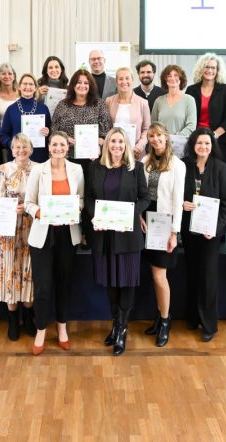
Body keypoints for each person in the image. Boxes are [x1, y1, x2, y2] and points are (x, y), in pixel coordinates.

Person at [83, 127, 150, 355]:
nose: (117, 146)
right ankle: (115, 323)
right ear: (106, 144)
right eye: (113, 141)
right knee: (110, 281)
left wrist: (132, 213)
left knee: (127, 281)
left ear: (127, 145)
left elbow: (145, 197)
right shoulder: (95, 167)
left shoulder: (136, 168)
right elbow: (89, 197)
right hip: (104, 233)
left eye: (121, 142)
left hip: (127, 234)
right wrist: (95, 216)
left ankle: (121, 330)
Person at [24, 131, 84, 354]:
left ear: (67, 148)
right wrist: (40, 212)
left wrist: (76, 207)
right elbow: (28, 202)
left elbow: (82, 198)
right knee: (43, 287)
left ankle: (62, 328)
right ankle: (40, 329)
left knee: (64, 284)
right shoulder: (38, 170)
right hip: (43, 235)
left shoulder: (76, 170)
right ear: (49, 147)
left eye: (62, 145)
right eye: (54, 145)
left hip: (68, 235)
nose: (58, 148)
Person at [180, 127, 226, 342]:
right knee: (192, 273)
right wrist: (181, 204)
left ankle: (209, 323)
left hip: (211, 234)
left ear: (213, 146)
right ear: (193, 145)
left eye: (207, 143)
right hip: (190, 230)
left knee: (208, 278)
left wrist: (215, 229)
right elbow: (177, 195)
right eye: (199, 143)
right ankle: (192, 317)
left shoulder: (220, 168)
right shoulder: (184, 166)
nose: (203, 147)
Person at [140, 122, 185, 347]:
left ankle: (166, 321)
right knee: (153, 274)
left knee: (160, 276)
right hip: (145, 221)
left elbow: (177, 201)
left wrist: (174, 232)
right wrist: (139, 216)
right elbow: (139, 193)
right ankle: (159, 317)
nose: (155, 140)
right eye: (151, 136)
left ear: (166, 137)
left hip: (164, 223)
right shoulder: (144, 162)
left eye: (159, 135)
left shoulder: (178, 165)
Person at [0, 134, 37, 340]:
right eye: (17, 147)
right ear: (11, 149)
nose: (21, 150)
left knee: (28, 270)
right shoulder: (3, 169)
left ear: (31, 149)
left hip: (31, 226)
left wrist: (27, 208)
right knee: (10, 270)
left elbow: (41, 198)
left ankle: (28, 318)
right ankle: (12, 321)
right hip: (8, 227)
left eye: (24, 146)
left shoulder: (39, 169)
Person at [50, 69, 112, 170]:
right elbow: (53, 131)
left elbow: (106, 133)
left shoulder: (99, 104)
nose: (82, 85)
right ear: (73, 85)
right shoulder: (62, 105)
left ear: (90, 86)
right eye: (78, 82)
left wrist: (99, 142)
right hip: (67, 158)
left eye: (86, 83)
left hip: (92, 159)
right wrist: (64, 139)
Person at [186, 53, 226, 160]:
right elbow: (187, 115)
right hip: (196, 138)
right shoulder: (191, 90)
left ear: (218, 70)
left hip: (218, 140)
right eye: (207, 66)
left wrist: (215, 135)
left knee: (216, 172)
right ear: (201, 69)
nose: (210, 70)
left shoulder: (225, 90)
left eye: (213, 67)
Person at [1, 73, 52, 163]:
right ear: (19, 87)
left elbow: (51, 132)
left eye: (31, 84)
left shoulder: (43, 108)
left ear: (35, 88)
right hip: (18, 158)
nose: (27, 86)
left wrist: (48, 132)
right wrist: (14, 144)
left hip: (40, 157)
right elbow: (3, 135)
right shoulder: (11, 109)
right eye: (24, 84)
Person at [106, 66, 151, 159]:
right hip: (114, 151)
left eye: (127, 78)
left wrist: (139, 146)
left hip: (135, 152)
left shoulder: (143, 103)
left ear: (132, 80)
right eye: (120, 79)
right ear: (116, 82)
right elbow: (106, 126)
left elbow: (147, 129)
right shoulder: (109, 101)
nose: (124, 82)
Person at [152, 64, 197, 146]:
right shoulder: (158, 101)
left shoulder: (189, 100)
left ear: (181, 79)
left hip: (181, 146)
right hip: (161, 146)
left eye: (176, 75)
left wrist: (174, 139)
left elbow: (191, 126)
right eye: (169, 76)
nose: (172, 78)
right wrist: (162, 139)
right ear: (165, 79)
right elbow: (153, 125)